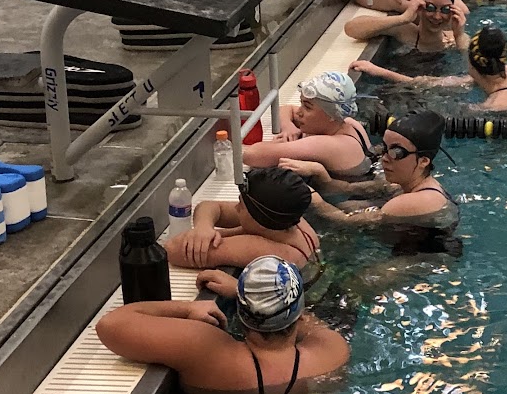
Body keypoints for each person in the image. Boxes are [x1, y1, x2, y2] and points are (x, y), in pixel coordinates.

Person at [96, 256, 349, 394]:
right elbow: (310, 323)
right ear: (299, 311)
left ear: (240, 311)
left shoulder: (205, 349)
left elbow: (111, 325)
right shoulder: (331, 351)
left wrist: (187, 309)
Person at [283, 108, 461, 251]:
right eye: (385, 147)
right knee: (349, 205)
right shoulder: (401, 184)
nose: (385, 157)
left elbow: (343, 221)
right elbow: (345, 188)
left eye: (397, 152)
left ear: (423, 161)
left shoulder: (416, 200)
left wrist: (312, 196)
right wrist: (319, 172)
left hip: (425, 257)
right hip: (407, 239)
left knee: (360, 283)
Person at [354, 23, 507, 120]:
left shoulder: (495, 105)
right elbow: (430, 82)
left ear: (472, 64)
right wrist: (378, 70)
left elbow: (433, 91)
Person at [164, 167, 320, 283]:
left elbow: (172, 249)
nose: (236, 208)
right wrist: (203, 228)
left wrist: (211, 237)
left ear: (257, 218)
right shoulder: (292, 223)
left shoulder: (265, 250)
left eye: (241, 205)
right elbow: (210, 206)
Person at [243, 70, 378, 180]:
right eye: (301, 103)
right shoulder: (348, 123)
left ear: (330, 114)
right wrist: (288, 126)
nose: (300, 112)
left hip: (349, 195)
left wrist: (275, 145)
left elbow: (250, 156)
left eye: (307, 107)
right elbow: (286, 108)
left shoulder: (327, 144)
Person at [345, 0, 469, 59]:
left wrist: (460, 36)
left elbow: (469, 68)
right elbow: (351, 29)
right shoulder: (406, 32)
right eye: (430, 7)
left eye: (445, 10)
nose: (437, 16)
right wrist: (403, 18)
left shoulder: (456, 39)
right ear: (421, 6)